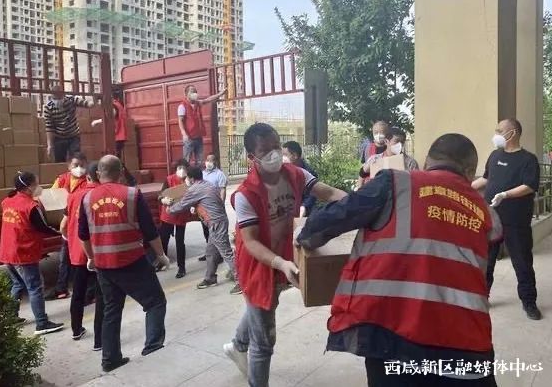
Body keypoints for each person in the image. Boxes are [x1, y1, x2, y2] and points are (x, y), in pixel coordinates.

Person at [297, 133, 502, 387]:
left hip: (392, 336)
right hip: (467, 345)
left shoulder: (395, 183)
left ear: (426, 162)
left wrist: (302, 237)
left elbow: (329, 220)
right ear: (470, 172)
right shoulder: (487, 214)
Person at [222, 123, 347, 387]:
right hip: (258, 264)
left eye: (277, 146)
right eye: (265, 150)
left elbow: (328, 192)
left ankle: (237, 345)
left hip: (283, 254)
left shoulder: (295, 174)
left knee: (264, 304)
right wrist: (280, 263)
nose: (274, 154)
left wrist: (358, 206)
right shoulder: (246, 194)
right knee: (264, 342)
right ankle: (248, 360)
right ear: (251, 157)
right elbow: (251, 241)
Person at [78, 155, 170, 372]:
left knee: (111, 310)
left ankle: (110, 360)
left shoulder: (87, 198)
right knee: (155, 302)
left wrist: (91, 258)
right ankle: (153, 349)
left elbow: (83, 235)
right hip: (132, 261)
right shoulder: (132, 194)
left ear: (98, 174)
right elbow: (150, 230)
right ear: (120, 173)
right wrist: (161, 255)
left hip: (104, 265)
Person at [472, 118, 542, 320]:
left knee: (522, 262)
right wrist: (464, 186)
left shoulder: (528, 159)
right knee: (486, 261)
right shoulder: (495, 155)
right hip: (491, 218)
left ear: (512, 133)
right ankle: (482, 298)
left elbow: (529, 185)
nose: (496, 134)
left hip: (516, 220)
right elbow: (486, 178)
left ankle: (529, 302)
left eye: (499, 130)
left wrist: (505, 195)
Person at [0, 171, 64, 335]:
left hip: (8, 251)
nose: (39, 187)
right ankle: (42, 323)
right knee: (35, 287)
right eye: (36, 183)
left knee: (18, 284)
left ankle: (9, 317)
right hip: (24, 253)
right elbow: (43, 227)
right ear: (28, 187)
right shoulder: (31, 207)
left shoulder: (7, 201)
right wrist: (61, 232)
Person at [165, 166, 240, 294]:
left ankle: (241, 280)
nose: (186, 180)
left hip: (216, 223)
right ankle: (210, 278)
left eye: (187, 178)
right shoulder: (207, 184)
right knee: (210, 252)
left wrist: (169, 209)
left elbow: (182, 205)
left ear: (191, 178)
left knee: (226, 252)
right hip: (217, 222)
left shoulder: (195, 189)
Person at [60, 162, 104, 348]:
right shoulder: (101, 195)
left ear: (87, 177)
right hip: (98, 253)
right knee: (101, 295)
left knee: (77, 293)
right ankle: (99, 340)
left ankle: (76, 330)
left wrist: (68, 237)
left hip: (78, 253)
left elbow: (63, 225)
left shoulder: (73, 196)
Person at [51, 152, 89, 300]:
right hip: (67, 225)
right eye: (75, 165)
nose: (79, 168)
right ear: (69, 166)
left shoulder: (88, 181)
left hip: (80, 224)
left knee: (83, 258)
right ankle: (61, 288)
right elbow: (52, 197)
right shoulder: (62, 179)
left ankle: (87, 291)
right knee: (65, 258)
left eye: (82, 165)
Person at [157, 159, 192, 278]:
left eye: (184, 168)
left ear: (187, 170)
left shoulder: (189, 181)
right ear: (176, 169)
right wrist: (163, 200)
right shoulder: (169, 179)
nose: (181, 170)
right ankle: (162, 262)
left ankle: (181, 267)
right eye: (179, 168)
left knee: (179, 241)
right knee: (164, 239)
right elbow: (160, 195)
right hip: (167, 214)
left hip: (181, 214)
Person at [178, 85, 226, 166]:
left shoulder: (198, 103)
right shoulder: (182, 106)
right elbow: (180, 121)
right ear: (186, 94)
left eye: (195, 91)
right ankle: (184, 174)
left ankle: (198, 174)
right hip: (189, 138)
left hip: (198, 137)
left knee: (199, 161)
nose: (195, 93)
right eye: (192, 92)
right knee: (186, 161)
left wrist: (220, 94)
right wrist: (184, 134)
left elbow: (208, 99)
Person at [44, 85, 94, 162]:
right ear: (52, 96)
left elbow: (86, 103)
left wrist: (92, 102)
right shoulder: (48, 107)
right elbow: (49, 127)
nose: (58, 100)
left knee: (75, 158)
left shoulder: (71, 99)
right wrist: (50, 145)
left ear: (63, 94)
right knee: (60, 161)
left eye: (60, 97)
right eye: (55, 97)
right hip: (59, 137)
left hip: (73, 136)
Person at [198, 153, 228, 262]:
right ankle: (209, 253)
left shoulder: (219, 174)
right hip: (204, 209)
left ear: (215, 162)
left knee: (217, 232)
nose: (208, 162)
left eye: (211, 160)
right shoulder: (202, 174)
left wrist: (221, 204)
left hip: (215, 208)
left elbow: (222, 190)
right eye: (207, 160)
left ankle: (218, 255)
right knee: (207, 231)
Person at [282, 140, 319, 217]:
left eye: (285, 155)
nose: (282, 158)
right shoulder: (283, 170)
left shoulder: (308, 173)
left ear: (295, 156)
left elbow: (312, 195)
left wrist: (304, 206)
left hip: (304, 213)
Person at [91, 86, 128, 159]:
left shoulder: (113, 105)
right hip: (120, 135)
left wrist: (97, 121)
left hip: (117, 136)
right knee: (116, 156)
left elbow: (111, 116)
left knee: (113, 157)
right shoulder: (118, 104)